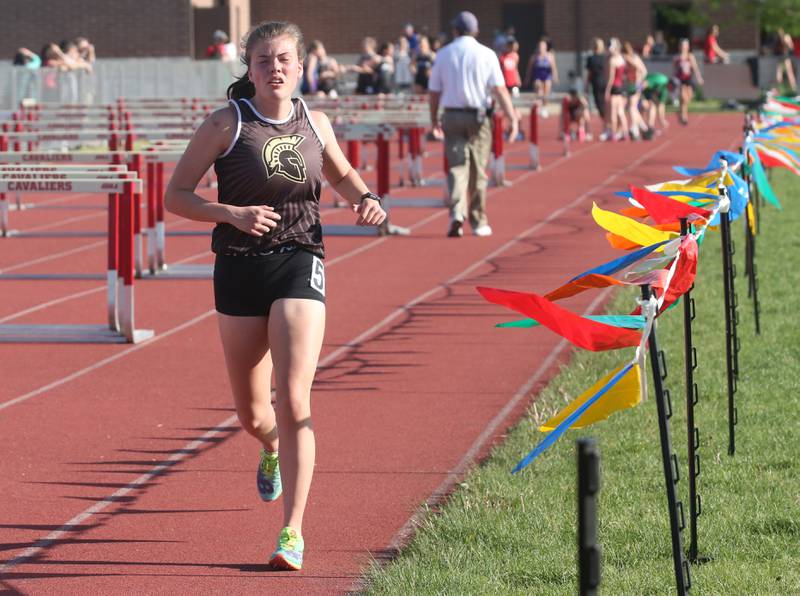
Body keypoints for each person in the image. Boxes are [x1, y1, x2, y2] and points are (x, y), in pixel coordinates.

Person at [164, 20, 387, 571]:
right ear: (250, 68)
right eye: (263, 60)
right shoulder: (225, 124)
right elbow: (176, 196)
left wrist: (366, 198)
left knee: (293, 397)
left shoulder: (317, 120)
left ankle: (292, 532)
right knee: (252, 411)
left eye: (284, 59)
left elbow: (340, 173)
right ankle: (269, 449)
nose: (275, 68)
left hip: (298, 259)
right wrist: (229, 213)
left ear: (302, 66)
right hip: (238, 268)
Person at [428, 11, 519, 238]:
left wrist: (433, 119)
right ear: (476, 30)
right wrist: (512, 117)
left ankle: (457, 213)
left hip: (451, 115)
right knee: (478, 169)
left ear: (455, 30)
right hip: (478, 117)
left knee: (457, 167)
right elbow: (499, 89)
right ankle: (478, 220)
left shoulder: (443, 54)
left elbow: (434, 92)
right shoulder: (487, 54)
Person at [525, 39, 558, 117]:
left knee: (546, 90)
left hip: (547, 76)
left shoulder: (550, 56)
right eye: (540, 46)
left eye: (543, 46)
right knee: (539, 89)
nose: (541, 48)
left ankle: (545, 107)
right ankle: (539, 103)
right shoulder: (534, 57)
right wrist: (527, 78)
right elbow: (529, 69)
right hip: (538, 76)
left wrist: (555, 76)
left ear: (546, 47)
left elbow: (553, 68)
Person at [674, 38, 704, 125]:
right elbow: (674, 70)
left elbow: (695, 68)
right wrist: (673, 80)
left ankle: (681, 112)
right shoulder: (677, 58)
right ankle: (684, 116)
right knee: (683, 98)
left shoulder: (690, 56)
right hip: (680, 80)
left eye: (686, 45)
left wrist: (699, 77)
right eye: (682, 45)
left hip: (688, 80)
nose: (684, 47)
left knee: (688, 98)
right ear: (680, 46)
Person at [604, 38, 629, 141]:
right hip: (622, 86)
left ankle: (613, 134)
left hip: (615, 86)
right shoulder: (622, 58)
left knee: (613, 112)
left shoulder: (612, 60)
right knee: (621, 112)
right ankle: (625, 133)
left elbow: (611, 78)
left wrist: (607, 91)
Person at [622, 41, 648, 140]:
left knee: (632, 107)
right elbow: (644, 71)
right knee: (632, 107)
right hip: (632, 84)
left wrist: (638, 79)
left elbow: (642, 69)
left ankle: (635, 129)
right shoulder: (632, 58)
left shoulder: (630, 58)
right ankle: (643, 127)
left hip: (634, 84)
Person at [585, 37, 607, 127]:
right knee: (602, 104)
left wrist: (586, 84)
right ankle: (607, 123)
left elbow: (589, 73)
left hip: (599, 82)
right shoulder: (603, 57)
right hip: (601, 81)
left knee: (600, 104)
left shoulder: (594, 58)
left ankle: (607, 123)